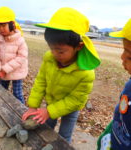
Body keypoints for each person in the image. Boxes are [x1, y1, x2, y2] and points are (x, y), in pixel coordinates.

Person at [22, 7, 100, 143]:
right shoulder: (49, 58)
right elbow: (41, 81)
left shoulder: (86, 73)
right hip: (52, 100)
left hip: (71, 108)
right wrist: (33, 105)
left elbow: (75, 100)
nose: (54, 54)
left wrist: (50, 111)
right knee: (46, 127)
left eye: (60, 51)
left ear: (79, 46)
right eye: (51, 48)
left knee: (64, 136)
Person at [97, 18, 131, 150]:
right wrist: (109, 133)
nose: (122, 58)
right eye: (124, 51)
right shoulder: (129, 85)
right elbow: (121, 114)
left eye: (130, 56)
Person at [0, 7, 28, 104]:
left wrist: (5, 69)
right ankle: (1, 107)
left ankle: (22, 113)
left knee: (17, 93)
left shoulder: (20, 40)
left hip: (17, 71)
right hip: (3, 71)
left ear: (12, 24)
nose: (0, 29)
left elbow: (22, 57)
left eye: (3, 25)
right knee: (1, 90)